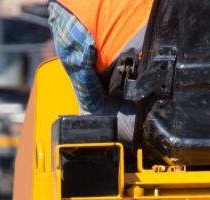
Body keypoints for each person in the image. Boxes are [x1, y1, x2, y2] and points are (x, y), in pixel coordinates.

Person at [47, 0, 155, 141]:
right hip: (189, 92)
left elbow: (92, 105)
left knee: (95, 122)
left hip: (164, 117)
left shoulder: (66, 8)